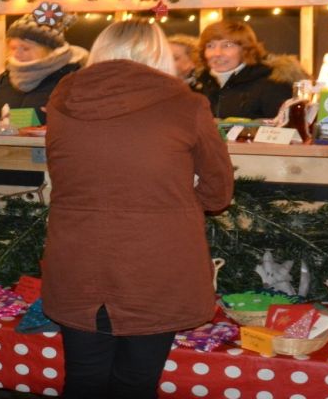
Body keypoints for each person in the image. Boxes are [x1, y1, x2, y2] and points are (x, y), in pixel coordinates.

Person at [40, 20, 235, 399]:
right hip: (155, 264)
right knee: (136, 382)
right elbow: (218, 193)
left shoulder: (63, 101)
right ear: (158, 53)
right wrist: (172, 199)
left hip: (77, 258)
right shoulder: (187, 104)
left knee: (83, 377)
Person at [0, 10, 87, 124]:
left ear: (48, 50)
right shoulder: (5, 78)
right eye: (13, 48)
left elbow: (80, 121)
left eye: (25, 48)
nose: (17, 53)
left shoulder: (69, 80)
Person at [191, 19, 302, 119]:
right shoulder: (196, 85)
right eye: (210, 46)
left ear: (245, 50)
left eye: (227, 45)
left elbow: (284, 132)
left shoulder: (272, 84)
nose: (217, 53)